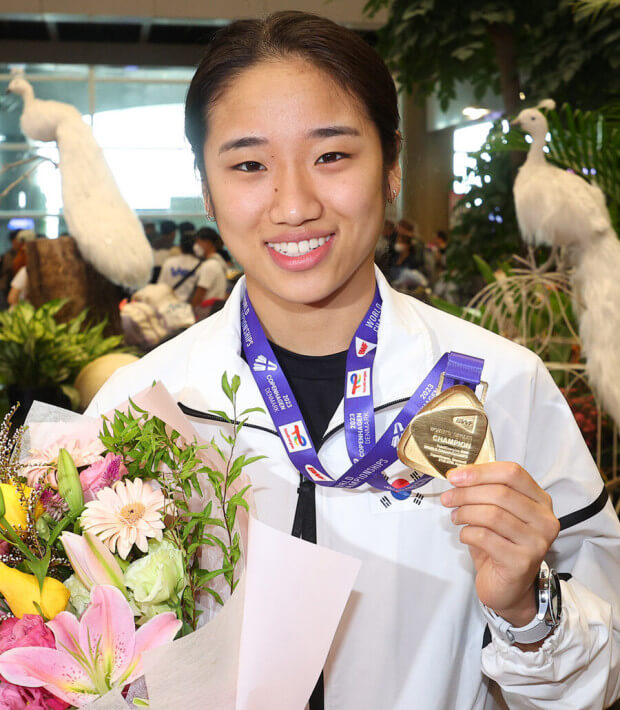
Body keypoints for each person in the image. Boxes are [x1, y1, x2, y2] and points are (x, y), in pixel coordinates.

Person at [86, 12, 620, 710]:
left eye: (332, 156)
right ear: (207, 188)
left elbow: (599, 680)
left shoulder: (502, 386)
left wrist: (527, 605)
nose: (295, 205)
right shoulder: (141, 405)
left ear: (392, 166)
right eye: (249, 165)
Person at [157, 231, 203, 302]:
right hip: (187, 305)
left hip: (166, 303)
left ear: (180, 246)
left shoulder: (169, 262)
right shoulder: (201, 266)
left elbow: (160, 285)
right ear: (197, 247)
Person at [191, 227, 228, 313]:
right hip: (215, 309)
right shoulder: (219, 262)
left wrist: (191, 312)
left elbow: (200, 294)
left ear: (207, 242)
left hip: (205, 311)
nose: (196, 246)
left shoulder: (210, 265)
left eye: (198, 242)